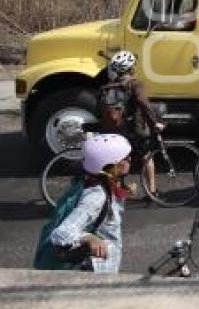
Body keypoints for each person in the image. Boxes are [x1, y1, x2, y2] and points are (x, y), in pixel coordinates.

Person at [50, 134, 133, 273]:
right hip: (95, 273)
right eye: (125, 158)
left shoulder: (94, 180)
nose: (129, 160)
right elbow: (61, 234)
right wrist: (89, 238)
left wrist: (123, 192)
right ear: (110, 166)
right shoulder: (96, 196)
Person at [97, 51, 164, 197]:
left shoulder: (106, 88)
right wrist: (156, 123)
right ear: (131, 68)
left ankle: (117, 189)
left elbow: (99, 111)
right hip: (133, 129)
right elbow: (144, 104)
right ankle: (152, 191)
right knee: (147, 156)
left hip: (113, 131)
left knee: (118, 158)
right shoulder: (134, 84)